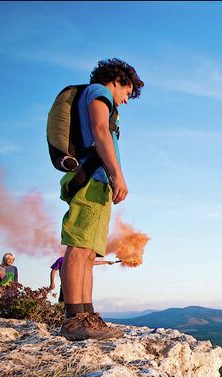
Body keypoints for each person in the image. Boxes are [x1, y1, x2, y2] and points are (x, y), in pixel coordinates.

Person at [57, 58, 143, 341]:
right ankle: (73, 319)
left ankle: (86, 314)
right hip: (91, 180)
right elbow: (100, 131)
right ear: (117, 80)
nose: (126, 101)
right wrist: (117, 175)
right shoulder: (99, 92)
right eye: (128, 93)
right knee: (79, 250)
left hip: (97, 182)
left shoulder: (100, 95)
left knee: (89, 254)